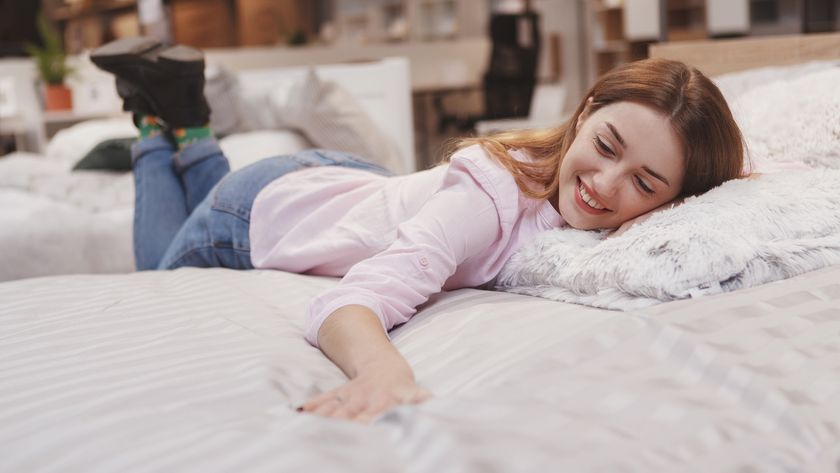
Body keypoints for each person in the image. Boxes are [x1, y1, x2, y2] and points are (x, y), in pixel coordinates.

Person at [90, 37, 744, 424]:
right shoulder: (489, 197)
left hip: (343, 185)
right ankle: (157, 124)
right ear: (587, 109)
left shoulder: (564, 190)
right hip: (263, 211)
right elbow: (348, 299)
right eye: (606, 145)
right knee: (160, 273)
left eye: (645, 183)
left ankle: (182, 115)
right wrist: (380, 369)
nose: (607, 182)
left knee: (204, 206)